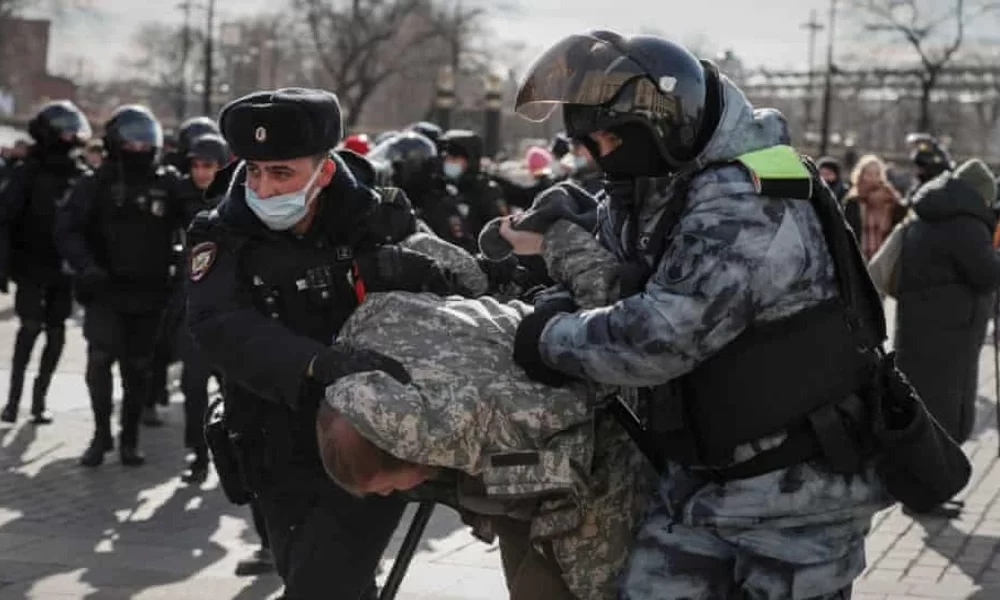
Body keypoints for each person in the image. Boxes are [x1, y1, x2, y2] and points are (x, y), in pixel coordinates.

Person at [502, 30, 888, 599]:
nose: (596, 158)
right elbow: (629, 260)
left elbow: (662, 337)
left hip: (795, 502)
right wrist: (569, 230)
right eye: (589, 144)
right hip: (702, 483)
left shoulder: (749, 198)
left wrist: (549, 337)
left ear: (662, 123)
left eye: (606, 139)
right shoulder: (672, 184)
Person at [185, 87, 463, 599]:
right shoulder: (221, 230)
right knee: (318, 577)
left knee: (321, 587)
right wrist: (319, 363)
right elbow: (217, 322)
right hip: (273, 445)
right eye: (254, 171)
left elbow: (457, 287)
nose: (263, 188)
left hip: (367, 442)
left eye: (282, 173)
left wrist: (422, 271)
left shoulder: (377, 218)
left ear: (325, 171)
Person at [316, 214, 647, 600]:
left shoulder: (493, 423)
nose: (390, 495)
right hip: (533, 460)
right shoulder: (368, 350)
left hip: (599, 476)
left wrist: (556, 237)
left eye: (388, 486)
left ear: (404, 451)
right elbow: (432, 256)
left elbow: (576, 451)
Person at [56, 105, 193, 467]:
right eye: (131, 140)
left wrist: (185, 269)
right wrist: (86, 267)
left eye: (145, 140)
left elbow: (199, 223)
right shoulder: (95, 184)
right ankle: (101, 435)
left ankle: (129, 437)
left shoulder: (167, 183)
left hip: (150, 294)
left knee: (137, 368)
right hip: (105, 291)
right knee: (100, 361)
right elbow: (67, 230)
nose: (139, 147)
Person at [895, 159, 1000, 454]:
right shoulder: (964, 225)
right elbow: (987, 274)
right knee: (942, 409)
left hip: (927, 326)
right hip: (949, 332)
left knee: (928, 404)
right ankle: (926, 495)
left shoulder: (931, 214)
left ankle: (928, 494)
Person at [0, 101, 92, 424]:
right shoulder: (28, 172)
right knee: (29, 328)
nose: (71, 136)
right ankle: (12, 401)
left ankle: (39, 401)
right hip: (29, 264)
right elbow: (6, 217)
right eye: (64, 129)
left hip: (63, 269)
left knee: (56, 334)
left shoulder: (80, 173)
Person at [842, 154, 904, 261]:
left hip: (886, 259)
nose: (873, 178)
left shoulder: (891, 199)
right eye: (869, 174)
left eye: (877, 174)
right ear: (861, 175)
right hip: (859, 260)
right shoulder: (853, 201)